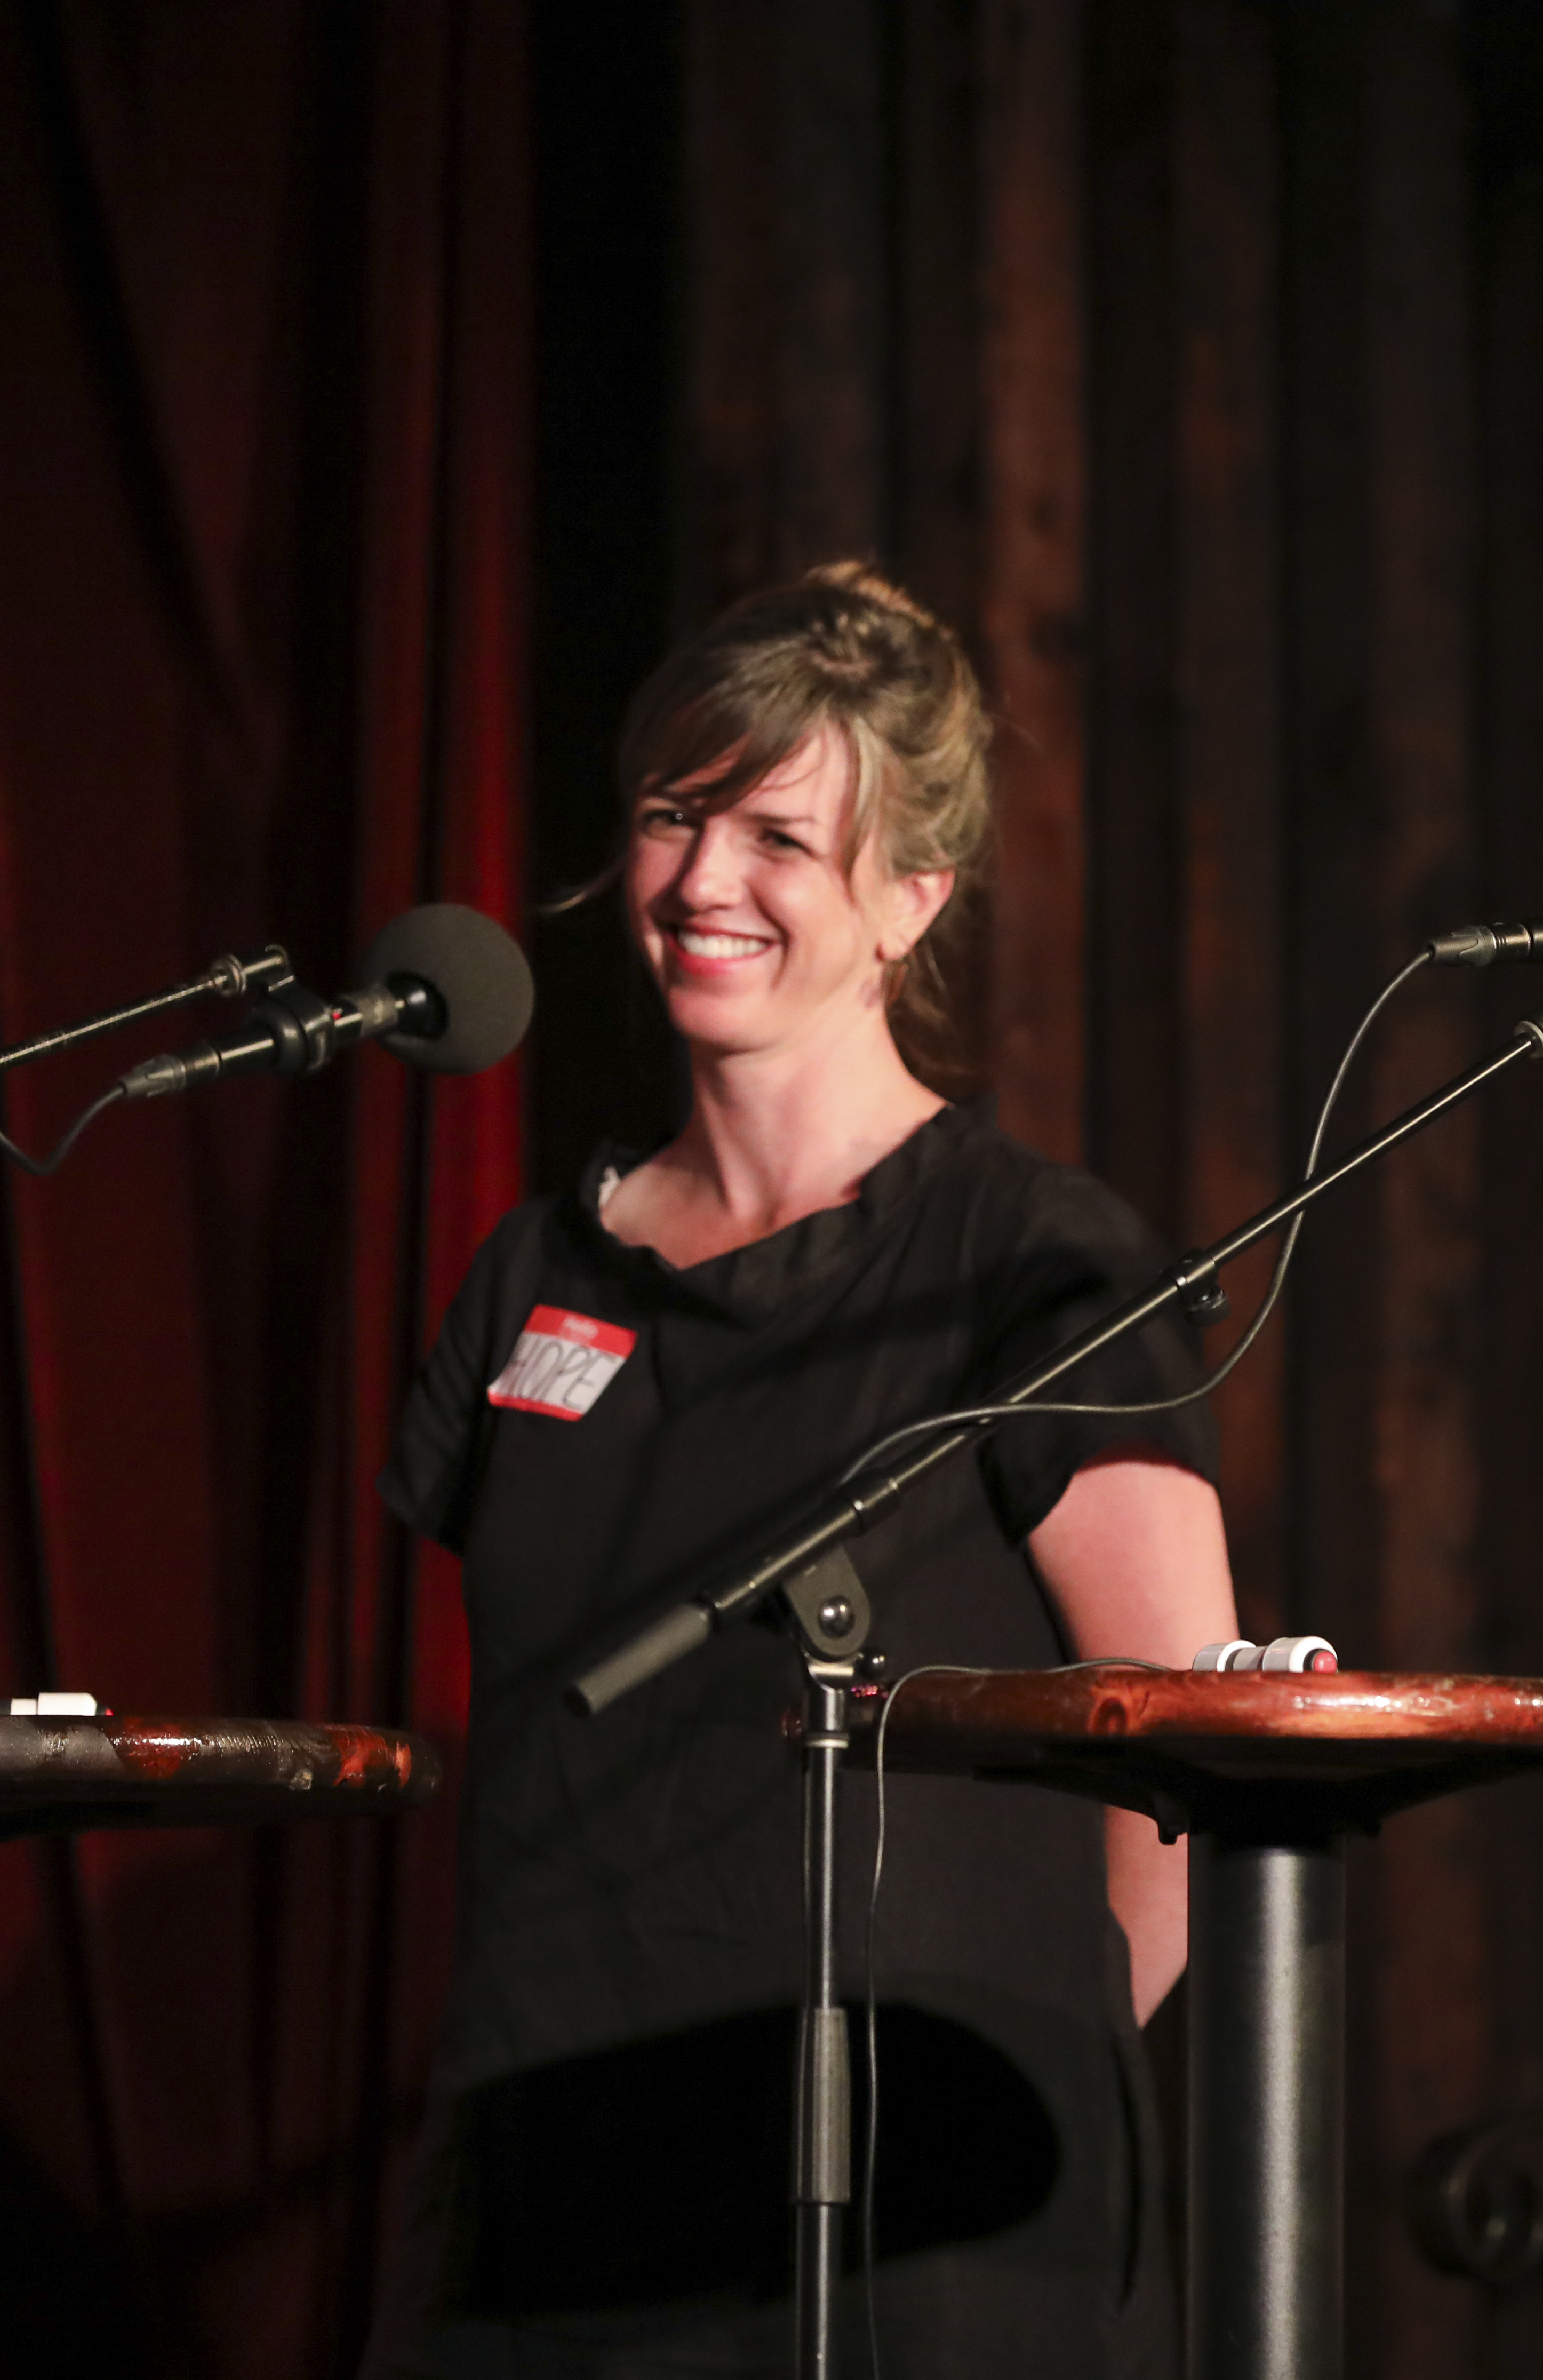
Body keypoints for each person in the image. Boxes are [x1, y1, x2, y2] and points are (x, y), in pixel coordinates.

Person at [372, 562, 1240, 2378]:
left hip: (915, 2231)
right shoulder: (530, 1278)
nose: (703, 880)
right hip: (556, 2192)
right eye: (671, 815)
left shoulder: (1034, 1264)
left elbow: (1192, 1782)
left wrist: (991, 2065)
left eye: (777, 835)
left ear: (914, 894)